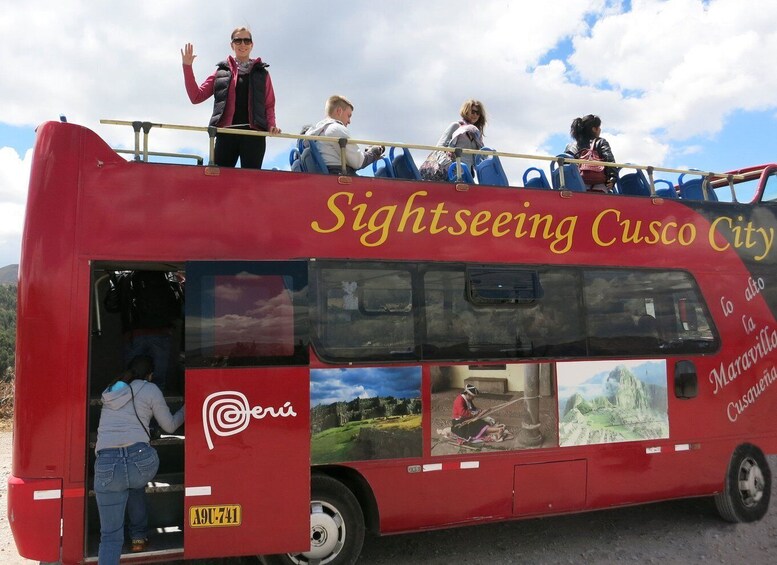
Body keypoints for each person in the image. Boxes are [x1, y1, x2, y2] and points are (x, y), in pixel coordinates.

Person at [94, 355, 185, 563]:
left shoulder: (110, 391)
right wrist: (186, 408)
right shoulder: (150, 389)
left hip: (107, 465)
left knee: (109, 537)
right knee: (134, 483)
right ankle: (138, 537)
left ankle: (131, 540)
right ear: (150, 374)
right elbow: (170, 426)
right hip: (140, 464)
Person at [181, 27, 281, 169]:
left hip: (254, 136)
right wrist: (187, 66)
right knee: (219, 182)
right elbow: (196, 97)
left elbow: (269, 104)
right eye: (238, 40)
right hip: (226, 134)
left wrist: (271, 125)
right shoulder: (221, 71)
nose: (242, 44)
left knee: (251, 182)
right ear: (232, 45)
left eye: (247, 41)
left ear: (252, 45)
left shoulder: (262, 73)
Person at [104, 271, 183, 392]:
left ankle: (131, 406)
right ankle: (155, 406)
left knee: (131, 377)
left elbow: (112, 305)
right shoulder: (167, 274)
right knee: (158, 379)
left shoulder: (127, 274)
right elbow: (178, 305)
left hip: (134, 334)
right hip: (161, 332)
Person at [304, 95, 384, 175]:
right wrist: (374, 152)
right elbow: (358, 162)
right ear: (339, 111)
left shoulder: (318, 132)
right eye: (348, 116)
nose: (349, 121)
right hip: (338, 178)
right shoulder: (336, 129)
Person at [420, 99, 486, 181]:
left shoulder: (476, 134)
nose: (475, 115)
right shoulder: (456, 126)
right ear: (466, 111)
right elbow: (439, 147)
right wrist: (449, 160)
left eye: (478, 113)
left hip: (467, 173)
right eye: (473, 111)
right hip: (451, 171)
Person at [565, 114, 618, 192]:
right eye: (599, 127)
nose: (600, 130)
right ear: (594, 129)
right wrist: (613, 178)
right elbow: (609, 159)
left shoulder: (571, 146)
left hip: (576, 187)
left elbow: (565, 165)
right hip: (598, 186)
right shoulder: (600, 142)